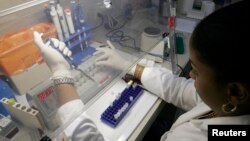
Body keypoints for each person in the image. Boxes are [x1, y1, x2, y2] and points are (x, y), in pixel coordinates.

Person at [33, 1, 249, 140]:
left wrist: (61, 74)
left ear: (236, 92)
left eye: (197, 71)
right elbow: (179, 88)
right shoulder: (231, 108)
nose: (190, 76)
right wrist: (128, 67)